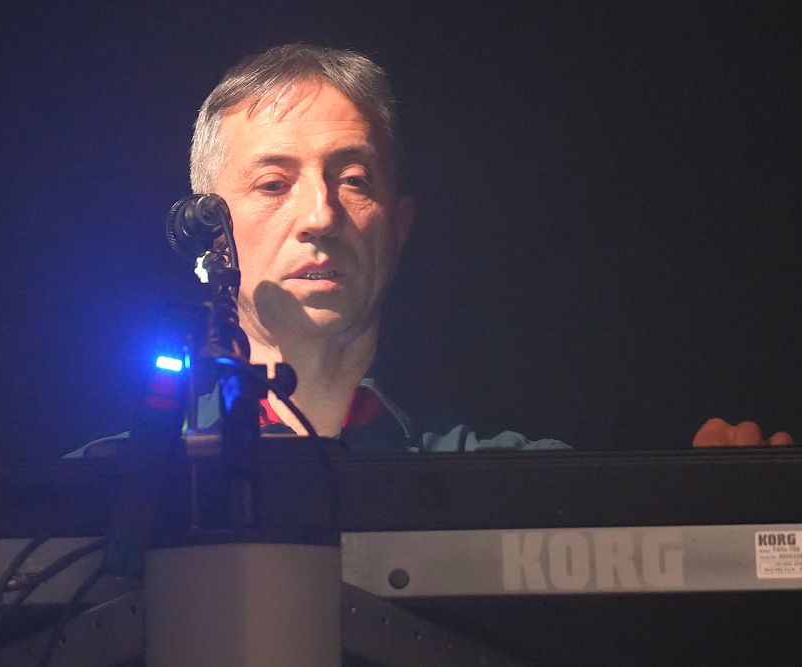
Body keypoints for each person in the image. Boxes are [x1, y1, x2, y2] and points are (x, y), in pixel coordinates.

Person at [77, 43, 791, 457]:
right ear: (204, 230)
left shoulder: (521, 483)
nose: (320, 215)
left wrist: (712, 501)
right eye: (273, 183)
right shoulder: (96, 490)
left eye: (353, 179)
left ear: (399, 227)